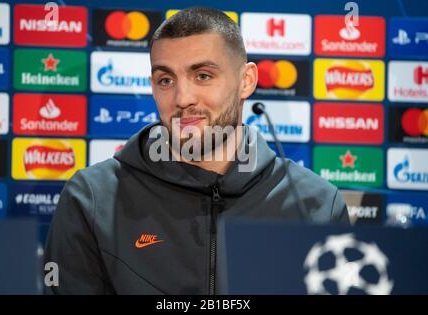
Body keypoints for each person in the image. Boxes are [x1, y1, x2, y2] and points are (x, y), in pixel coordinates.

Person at [44, 7, 350, 295]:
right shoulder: (92, 198)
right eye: (166, 80)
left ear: (246, 81)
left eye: (202, 76)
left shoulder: (315, 204)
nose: (182, 97)